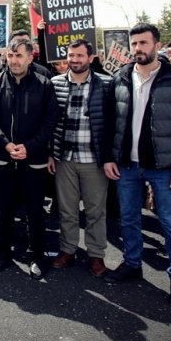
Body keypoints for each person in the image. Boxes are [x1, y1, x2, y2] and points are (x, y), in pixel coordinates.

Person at [103, 23, 171, 308]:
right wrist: (109, 157)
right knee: (129, 218)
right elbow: (109, 122)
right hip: (127, 165)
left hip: (163, 166)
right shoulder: (120, 78)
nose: (138, 48)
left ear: (157, 45)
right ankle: (132, 263)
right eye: (134, 43)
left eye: (143, 43)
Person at [0, 36, 58, 275]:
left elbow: (50, 122)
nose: (14, 61)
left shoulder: (44, 85)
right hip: (2, 159)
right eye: (11, 56)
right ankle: (3, 253)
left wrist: (29, 147)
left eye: (19, 56)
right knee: (3, 209)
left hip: (32, 160)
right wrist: (5, 144)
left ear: (30, 57)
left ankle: (37, 256)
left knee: (34, 211)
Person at [47, 39, 114, 278]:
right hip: (64, 158)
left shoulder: (106, 84)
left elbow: (112, 123)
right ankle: (68, 250)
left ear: (90, 58)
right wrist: (50, 153)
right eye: (71, 55)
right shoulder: (56, 83)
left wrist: (110, 157)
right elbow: (49, 121)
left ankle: (96, 255)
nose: (74, 60)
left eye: (80, 56)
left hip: (94, 160)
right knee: (67, 210)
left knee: (96, 211)